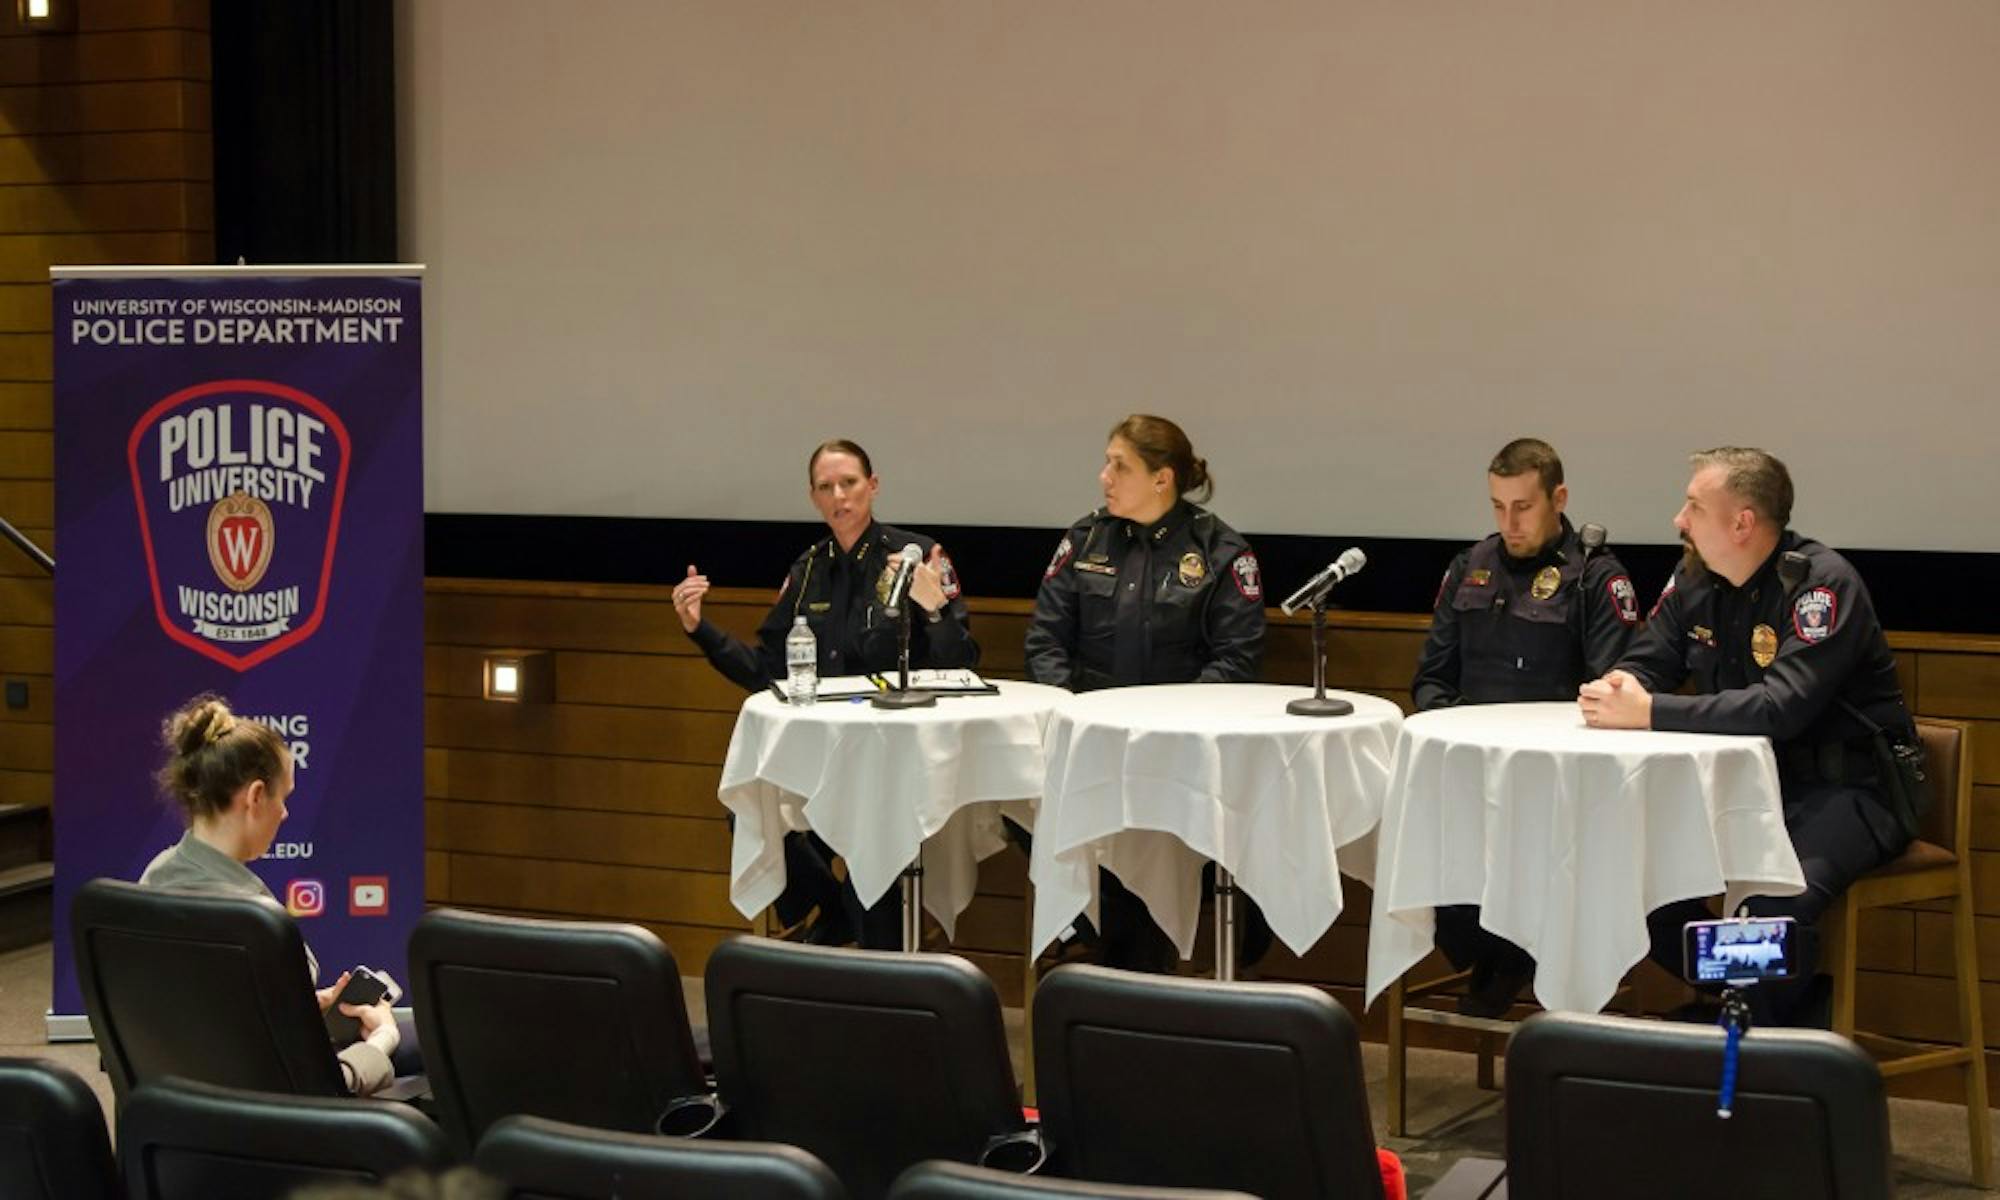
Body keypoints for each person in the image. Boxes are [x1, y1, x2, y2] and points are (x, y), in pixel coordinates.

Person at [1579, 447, 1917, 1026]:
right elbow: (1648, 662)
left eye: (1693, 506)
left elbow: (1779, 709)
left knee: (1764, 914)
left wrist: (1649, 711)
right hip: (1743, 790)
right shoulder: (1695, 579)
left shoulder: (1819, 585)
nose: (1678, 520)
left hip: (1847, 790)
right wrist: (1621, 687)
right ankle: (1769, 1006)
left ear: (1742, 523)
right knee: (1631, 886)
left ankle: (1758, 1043)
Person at [672, 438, 979, 949]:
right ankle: (832, 911)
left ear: (873, 486)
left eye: (850, 483)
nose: (839, 495)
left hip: (893, 759)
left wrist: (932, 610)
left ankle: (865, 952)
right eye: (825, 487)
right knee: (750, 805)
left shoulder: (917, 556)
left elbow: (964, 665)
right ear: (813, 498)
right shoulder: (807, 569)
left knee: (874, 866)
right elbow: (768, 671)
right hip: (824, 751)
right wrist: (701, 630)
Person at [1025, 414, 1267, 973]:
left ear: (1162, 479)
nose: (1103, 475)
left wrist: (1167, 731)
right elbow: (1045, 640)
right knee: (1017, 801)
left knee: (1154, 856)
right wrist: (1070, 712)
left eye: (1119, 465)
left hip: (1178, 761)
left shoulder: (1221, 552)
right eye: (1107, 461)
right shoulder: (1084, 539)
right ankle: (1098, 942)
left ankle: (1121, 974)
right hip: (1088, 748)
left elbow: (1234, 663)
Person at [1410, 437, 1639, 1016]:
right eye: (1497, 506)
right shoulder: (1470, 568)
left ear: (1558, 498)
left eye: (1523, 507)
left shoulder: (1595, 578)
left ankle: (1517, 958)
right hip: (1471, 773)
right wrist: (1449, 741)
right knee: (1420, 857)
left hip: (1557, 784)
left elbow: (1611, 695)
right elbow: (1432, 679)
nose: (1509, 522)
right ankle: (1501, 955)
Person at [140, 694, 409, 1096]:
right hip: (271, 1128)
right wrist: (381, 1043)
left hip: (179, 1113)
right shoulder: (255, 924)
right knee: (422, 1047)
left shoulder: (152, 882)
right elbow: (317, 1089)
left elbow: (214, 1019)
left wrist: (298, 1004)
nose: (284, 814)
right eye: (283, 798)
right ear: (254, 797)